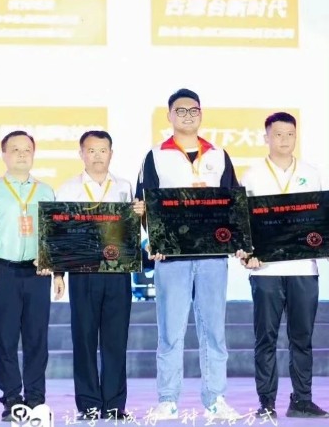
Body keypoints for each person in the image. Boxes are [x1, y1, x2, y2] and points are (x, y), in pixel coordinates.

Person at [136, 89, 246, 422]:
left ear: (201, 114)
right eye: (180, 110)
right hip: (172, 257)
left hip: (213, 255)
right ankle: (168, 399)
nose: (187, 115)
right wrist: (155, 240)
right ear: (169, 116)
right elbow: (145, 204)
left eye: (193, 110)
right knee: (170, 331)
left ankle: (215, 399)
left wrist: (239, 242)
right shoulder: (156, 156)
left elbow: (234, 202)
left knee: (214, 331)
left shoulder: (219, 155)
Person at [240, 112, 329, 419]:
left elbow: (319, 218)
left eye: (290, 134)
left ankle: (301, 400)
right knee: (265, 339)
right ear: (266, 137)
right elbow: (243, 223)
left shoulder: (311, 173)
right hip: (266, 270)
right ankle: (266, 403)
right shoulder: (251, 175)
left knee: (302, 339)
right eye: (277, 134)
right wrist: (246, 254)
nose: (284, 140)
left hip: (304, 268)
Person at [55, 130, 144, 421]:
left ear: (111, 154)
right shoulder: (67, 189)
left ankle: (115, 404)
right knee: (83, 339)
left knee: (115, 340)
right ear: (81, 154)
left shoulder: (124, 186)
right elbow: (59, 234)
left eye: (102, 150)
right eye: (91, 150)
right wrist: (58, 273)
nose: (97, 156)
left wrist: (141, 214)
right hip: (82, 273)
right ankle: (89, 404)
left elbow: (132, 232)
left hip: (117, 273)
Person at [0, 130, 62, 422]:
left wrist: (57, 270)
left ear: (34, 154)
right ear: (4, 155)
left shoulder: (46, 190)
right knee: (6, 338)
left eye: (27, 149)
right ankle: (12, 399)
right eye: (15, 149)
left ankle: (36, 399)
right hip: (4, 271)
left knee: (37, 338)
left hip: (39, 271)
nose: (22, 154)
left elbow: (55, 234)